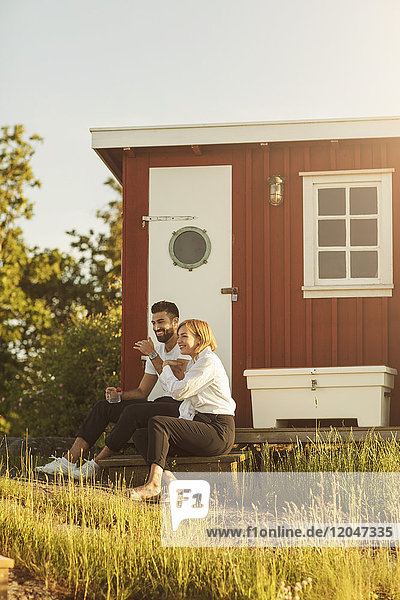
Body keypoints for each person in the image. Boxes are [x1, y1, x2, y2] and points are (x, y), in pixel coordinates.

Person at [36, 301, 189, 479]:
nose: (156, 327)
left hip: (182, 407)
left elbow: (180, 381)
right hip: (161, 403)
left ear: (175, 321)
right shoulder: (157, 351)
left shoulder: (184, 347)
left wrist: (153, 355)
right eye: (153, 323)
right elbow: (142, 392)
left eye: (161, 322)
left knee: (133, 412)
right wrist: (120, 394)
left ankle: (95, 465)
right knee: (104, 407)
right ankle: (67, 462)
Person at [127, 319, 236, 501]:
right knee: (141, 435)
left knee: (159, 422)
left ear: (200, 339)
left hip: (218, 431)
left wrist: (166, 366)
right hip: (201, 426)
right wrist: (166, 369)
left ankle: (154, 484)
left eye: (184, 336)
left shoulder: (208, 361)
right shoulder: (195, 362)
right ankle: (173, 484)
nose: (179, 341)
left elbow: (178, 392)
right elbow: (175, 389)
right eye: (178, 336)